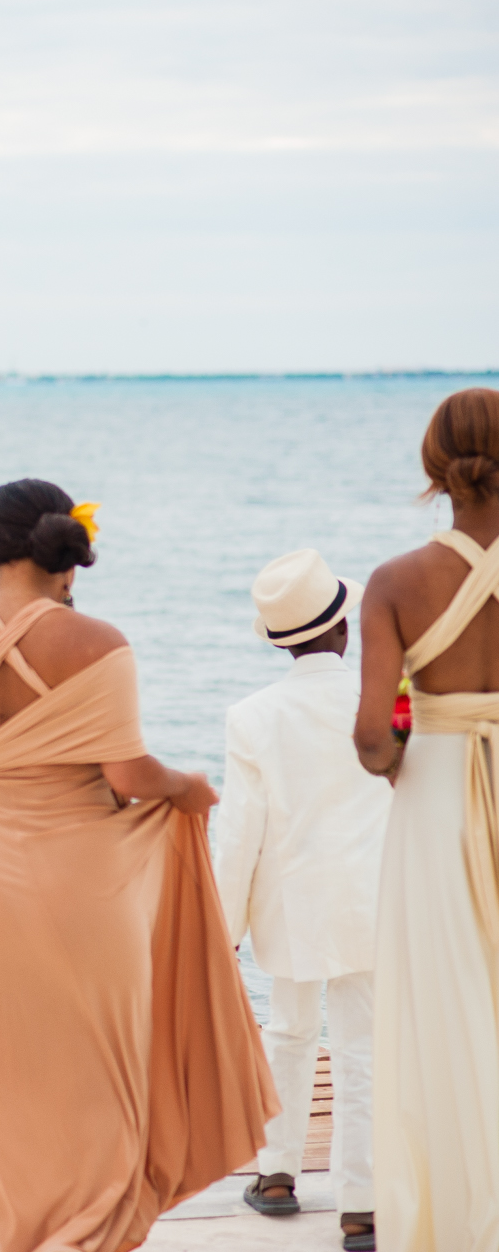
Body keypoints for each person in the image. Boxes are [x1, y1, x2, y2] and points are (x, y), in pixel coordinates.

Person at [0, 478, 276, 1252]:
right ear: (68, 558)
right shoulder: (99, 643)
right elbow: (131, 778)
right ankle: (91, 1232)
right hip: (82, 890)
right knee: (99, 1072)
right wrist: (190, 789)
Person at [353, 387, 499, 1252]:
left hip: (438, 797)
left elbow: (373, 738)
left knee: (443, 1008)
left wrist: (413, 749)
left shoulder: (396, 581)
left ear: (433, 464)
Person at [219, 549, 388, 1250]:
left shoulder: (252, 716)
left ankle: (279, 1174)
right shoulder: (387, 696)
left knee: (288, 1033)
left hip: (290, 906)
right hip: (372, 900)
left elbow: (241, 833)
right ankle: (362, 1205)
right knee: (361, 1050)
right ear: (345, 628)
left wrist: (224, 925)